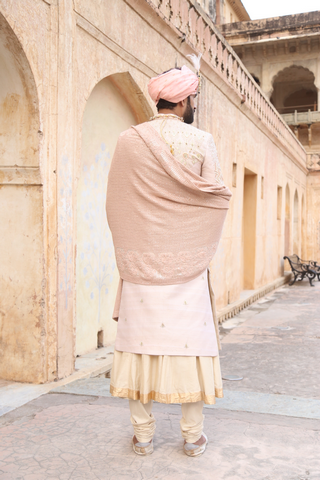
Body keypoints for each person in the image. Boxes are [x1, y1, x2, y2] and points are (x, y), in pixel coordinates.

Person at [106, 59, 231, 457]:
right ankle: (192, 438)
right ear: (182, 102)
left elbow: (117, 203)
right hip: (187, 268)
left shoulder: (129, 139)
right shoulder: (201, 141)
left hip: (140, 267)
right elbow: (213, 198)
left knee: (139, 346)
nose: (192, 103)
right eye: (192, 97)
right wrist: (193, 240)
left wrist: (134, 248)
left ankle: (143, 437)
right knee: (190, 347)